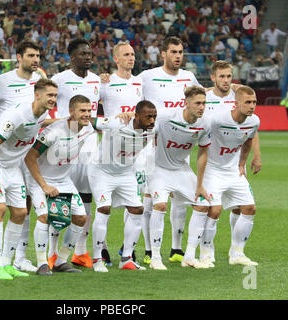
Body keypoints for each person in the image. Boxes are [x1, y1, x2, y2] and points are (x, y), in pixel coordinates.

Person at [0, 79, 57, 280]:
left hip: (11, 165)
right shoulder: (17, 114)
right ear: (37, 95)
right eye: (50, 95)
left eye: (55, 96)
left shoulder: (43, 113)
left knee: (20, 212)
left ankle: (7, 263)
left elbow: (41, 122)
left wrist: (63, 120)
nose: (53, 99)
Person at [139, 36, 202, 265]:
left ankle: (177, 249)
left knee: (180, 199)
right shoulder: (147, 77)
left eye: (180, 52)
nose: (178, 56)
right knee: (151, 200)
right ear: (162, 54)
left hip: (179, 148)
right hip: (151, 146)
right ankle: (148, 251)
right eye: (173, 51)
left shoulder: (189, 77)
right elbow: (130, 92)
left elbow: (202, 98)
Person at [0, 41, 47, 273]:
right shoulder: (2, 81)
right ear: (18, 57)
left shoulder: (40, 80)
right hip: (5, 152)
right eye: (31, 55)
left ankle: (20, 258)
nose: (35, 59)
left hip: (27, 150)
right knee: (6, 207)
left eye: (38, 55)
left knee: (26, 205)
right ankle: (0, 260)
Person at [25, 95, 94, 275]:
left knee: (80, 218)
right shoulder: (53, 132)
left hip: (64, 181)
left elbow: (108, 123)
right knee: (45, 216)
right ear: (71, 112)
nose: (87, 114)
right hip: (41, 179)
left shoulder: (88, 128)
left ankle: (61, 261)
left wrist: (127, 115)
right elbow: (30, 158)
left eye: (89, 110)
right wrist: (44, 186)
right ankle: (42, 264)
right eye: (82, 111)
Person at [201, 61, 262, 265]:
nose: (226, 80)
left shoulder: (246, 109)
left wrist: (245, 161)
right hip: (212, 164)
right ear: (213, 77)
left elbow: (249, 136)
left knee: (247, 208)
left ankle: (237, 253)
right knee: (213, 210)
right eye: (222, 76)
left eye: (229, 77)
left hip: (233, 166)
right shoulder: (207, 101)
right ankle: (205, 253)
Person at [49, 39, 101, 269]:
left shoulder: (97, 80)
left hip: (89, 142)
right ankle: (52, 253)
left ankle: (80, 251)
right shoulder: (59, 80)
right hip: (64, 142)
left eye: (90, 53)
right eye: (83, 54)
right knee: (62, 196)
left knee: (86, 194)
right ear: (72, 57)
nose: (88, 57)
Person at [148, 86, 211, 269]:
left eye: (204, 103)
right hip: (158, 168)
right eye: (198, 103)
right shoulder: (166, 117)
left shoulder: (204, 124)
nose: (202, 107)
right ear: (186, 103)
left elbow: (203, 153)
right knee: (160, 205)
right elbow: (146, 129)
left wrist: (200, 185)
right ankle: (155, 258)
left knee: (203, 204)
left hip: (181, 169)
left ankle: (189, 256)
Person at [90, 100, 156, 272]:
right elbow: (90, 121)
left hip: (126, 173)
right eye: (148, 117)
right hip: (102, 171)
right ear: (137, 115)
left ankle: (126, 258)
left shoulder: (153, 129)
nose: (152, 121)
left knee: (137, 209)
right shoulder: (119, 122)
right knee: (104, 208)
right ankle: (97, 259)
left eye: (154, 117)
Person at [99, 41, 145, 266]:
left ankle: (128, 252)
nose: (131, 58)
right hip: (109, 152)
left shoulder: (141, 82)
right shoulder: (105, 83)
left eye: (133, 54)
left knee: (135, 203)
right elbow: (87, 102)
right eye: (126, 55)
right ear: (115, 59)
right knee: (103, 205)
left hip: (136, 152)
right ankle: (102, 249)